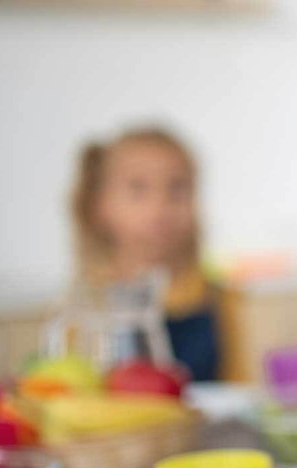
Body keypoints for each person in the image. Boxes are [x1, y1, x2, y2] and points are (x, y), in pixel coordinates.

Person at [71, 126, 220, 381]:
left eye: (177, 188)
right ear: (99, 205)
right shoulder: (82, 310)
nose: (160, 206)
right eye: (138, 189)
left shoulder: (215, 299)